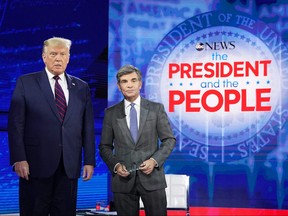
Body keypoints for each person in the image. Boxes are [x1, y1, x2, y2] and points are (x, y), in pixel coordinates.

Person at [8, 37, 96, 216]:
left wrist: (89, 160)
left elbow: (87, 126)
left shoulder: (81, 87)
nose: (58, 58)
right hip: (34, 165)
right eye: (53, 54)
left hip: (68, 166)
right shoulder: (26, 83)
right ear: (44, 57)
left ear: (69, 57)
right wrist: (19, 158)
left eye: (63, 54)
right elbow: (16, 124)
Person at [99, 64, 176, 216]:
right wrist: (115, 165)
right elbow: (104, 146)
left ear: (140, 84)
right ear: (119, 86)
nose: (129, 85)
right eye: (124, 81)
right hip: (123, 181)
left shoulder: (156, 109)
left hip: (153, 179)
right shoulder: (111, 113)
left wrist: (154, 160)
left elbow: (169, 140)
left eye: (133, 80)